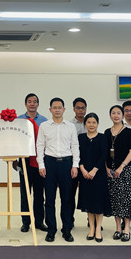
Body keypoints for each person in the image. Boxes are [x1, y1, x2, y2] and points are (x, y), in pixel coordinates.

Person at [37, 97, 80, 243]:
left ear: (64, 109)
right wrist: (41, 165)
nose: (57, 110)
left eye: (59, 107)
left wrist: (75, 165)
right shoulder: (44, 126)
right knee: (49, 199)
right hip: (49, 163)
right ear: (50, 110)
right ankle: (51, 230)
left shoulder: (70, 126)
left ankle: (66, 230)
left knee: (66, 199)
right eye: (54, 107)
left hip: (66, 164)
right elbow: (40, 146)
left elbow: (75, 146)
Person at [105, 105, 131, 242]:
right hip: (111, 170)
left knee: (126, 199)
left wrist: (121, 167)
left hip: (125, 169)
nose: (116, 115)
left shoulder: (129, 132)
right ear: (110, 115)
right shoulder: (107, 132)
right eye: (113, 113)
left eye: (118, 113)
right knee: (115, 199)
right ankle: (118, 228)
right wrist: (106, 168)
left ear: (123, 115)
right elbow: (104, 152)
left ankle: (126, 229)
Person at [16, 93, 48, 232]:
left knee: (39, 193)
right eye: (29, 101)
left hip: (39, 159)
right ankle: (26, 222)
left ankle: (39, 221)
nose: (32, 104)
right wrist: (15, 159)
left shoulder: (44, 121)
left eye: (35, 101)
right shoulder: (18, 120)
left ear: (38, 104)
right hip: (24, 159)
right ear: (25, 104)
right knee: (25, 192)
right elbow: (14, 140)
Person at [77, 112, 110, 242]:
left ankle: (98, 230)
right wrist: (83, 170)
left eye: (94, 122)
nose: (91, 125)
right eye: (89, 122)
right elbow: (77, 154)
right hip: (84, 174)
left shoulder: (102, 137)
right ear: (85, 124)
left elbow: (104, 155)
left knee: (98, 202)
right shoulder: (80, 137)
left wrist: (94, 170)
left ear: (97, 124)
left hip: (98, 174)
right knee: (88, 202)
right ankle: (91, 229)